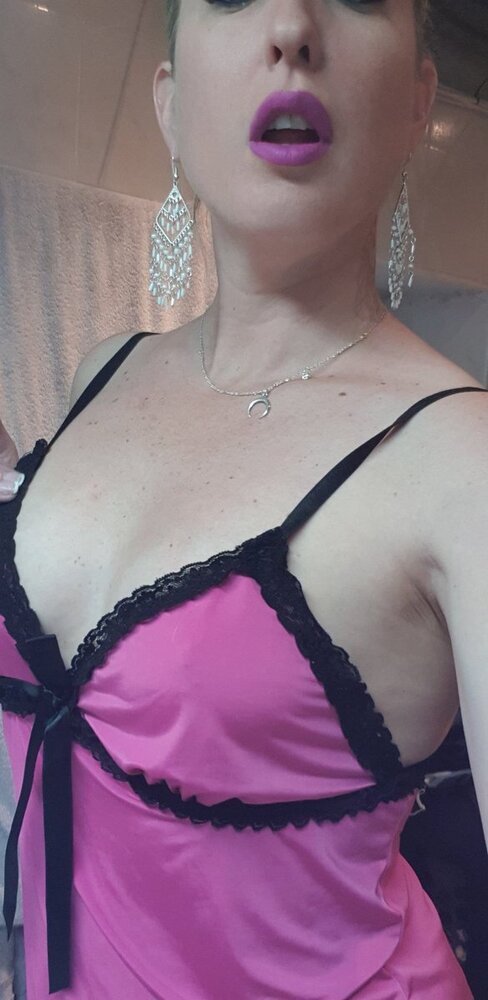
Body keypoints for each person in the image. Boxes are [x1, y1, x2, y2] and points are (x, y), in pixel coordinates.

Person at [0, 1, 487, 997]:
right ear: (170, 105)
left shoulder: (460, 461)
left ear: (417, 102)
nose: (291, 27)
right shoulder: (104, 371)